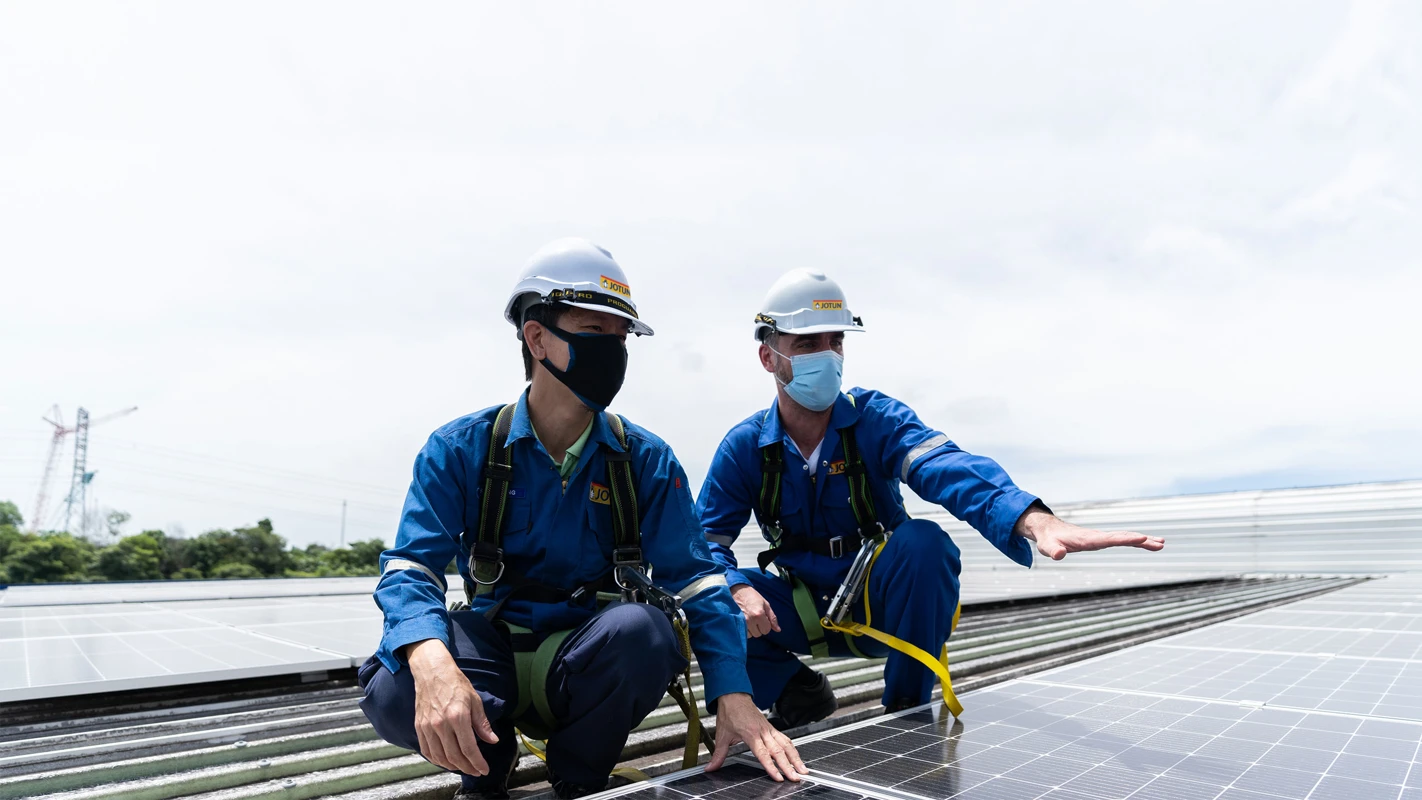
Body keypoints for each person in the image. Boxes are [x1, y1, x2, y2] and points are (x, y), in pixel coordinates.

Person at [358, 239, 806, 800]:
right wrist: (430, 661)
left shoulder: (644, 459)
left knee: (645, 632)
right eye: (594, 332)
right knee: (396, 685)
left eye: (621, 337)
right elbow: (410, 569)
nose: (612, 351)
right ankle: (485, 765)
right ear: (537, 337)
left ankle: (580, 778)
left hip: (584, 658)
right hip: (490, 648)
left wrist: (734, 698)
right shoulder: (460, 449)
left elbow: (698, 583)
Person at [696, 268, 1166, 727]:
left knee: (924, 543)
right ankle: (796, 692)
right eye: (806, 344)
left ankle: (907, 713)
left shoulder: (875, 419)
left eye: (835, 342)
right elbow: (701, 548)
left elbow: (946, 467)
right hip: (800, 612)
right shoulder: (745, 447)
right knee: (704, 596)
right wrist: (736, 587)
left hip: (879, 605)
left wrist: (1031, 517)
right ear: (768, 357)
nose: (828, 356)